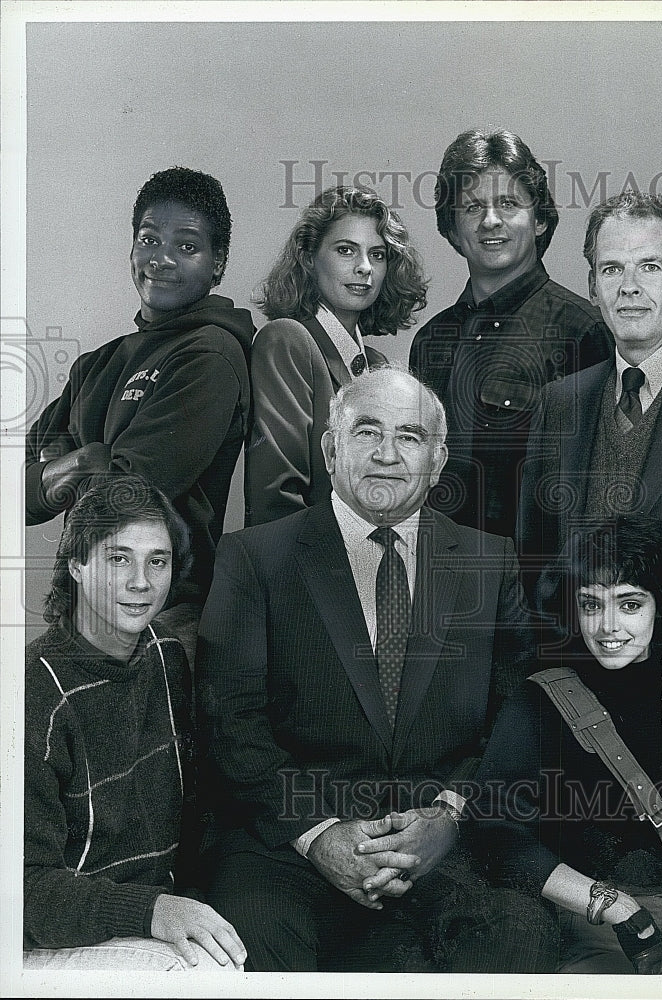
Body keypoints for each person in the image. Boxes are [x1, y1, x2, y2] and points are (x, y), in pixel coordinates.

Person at [196, 365, 559, 972]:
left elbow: (514, 716)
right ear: (332, 449)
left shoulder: (487, 561)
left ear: (437, 461)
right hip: (291, 846)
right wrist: (320, 835)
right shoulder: (254, 558)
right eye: (368, 432)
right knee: (256, 947)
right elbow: (230, 724)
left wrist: (450, 814)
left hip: (442, 845)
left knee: (517, 941)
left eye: (410, 437)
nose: (388, 455)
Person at [473, 515, 662, 974]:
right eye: (591, 605)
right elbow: (493, 833)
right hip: (597, 931)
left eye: (630, 604)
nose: (608, 626)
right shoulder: (539, 703)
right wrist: (612, 904)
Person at [25, 166, 254, 660]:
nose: (162, 259)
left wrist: (63, 469)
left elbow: (124, 498)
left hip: (162, 619)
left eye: (187, 246)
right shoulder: (96, 365)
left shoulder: (210, 355)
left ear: (219, 264)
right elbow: (14, 495)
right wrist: (91, 458)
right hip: (81, 608)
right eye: (149, 239)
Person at [519, 191, 662, 693]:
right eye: (612, 270)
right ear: (593, 289)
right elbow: (536, 565)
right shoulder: (561, 404)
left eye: (649, 267)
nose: (630, 288)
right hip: (583, 707)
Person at [24, 476, 246, 971]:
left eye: (158, 561)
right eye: (118, 558)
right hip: (51, 933)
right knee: (202, 974)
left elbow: (195, 813)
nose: (141, 582)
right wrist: (154, 911)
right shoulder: (32, 692)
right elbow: (23, 889)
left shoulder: (166, 656)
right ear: (77, 564)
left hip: (150, 910)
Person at [409, 128, 612, 540]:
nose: (490, 221)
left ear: (539, 220)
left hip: (537, 586)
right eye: (471, 208)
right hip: (435, 577)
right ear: (451, 229)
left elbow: (596, 489)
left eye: (508, 203)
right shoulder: (431, 340)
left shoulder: (580, 331)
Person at [244, 185, 427, 526]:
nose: (364, 268)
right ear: (309, 257)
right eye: (346, 250)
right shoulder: (288, 340)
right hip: (306, 566)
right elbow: (277, 497)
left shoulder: (377, 366)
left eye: (378, 254)